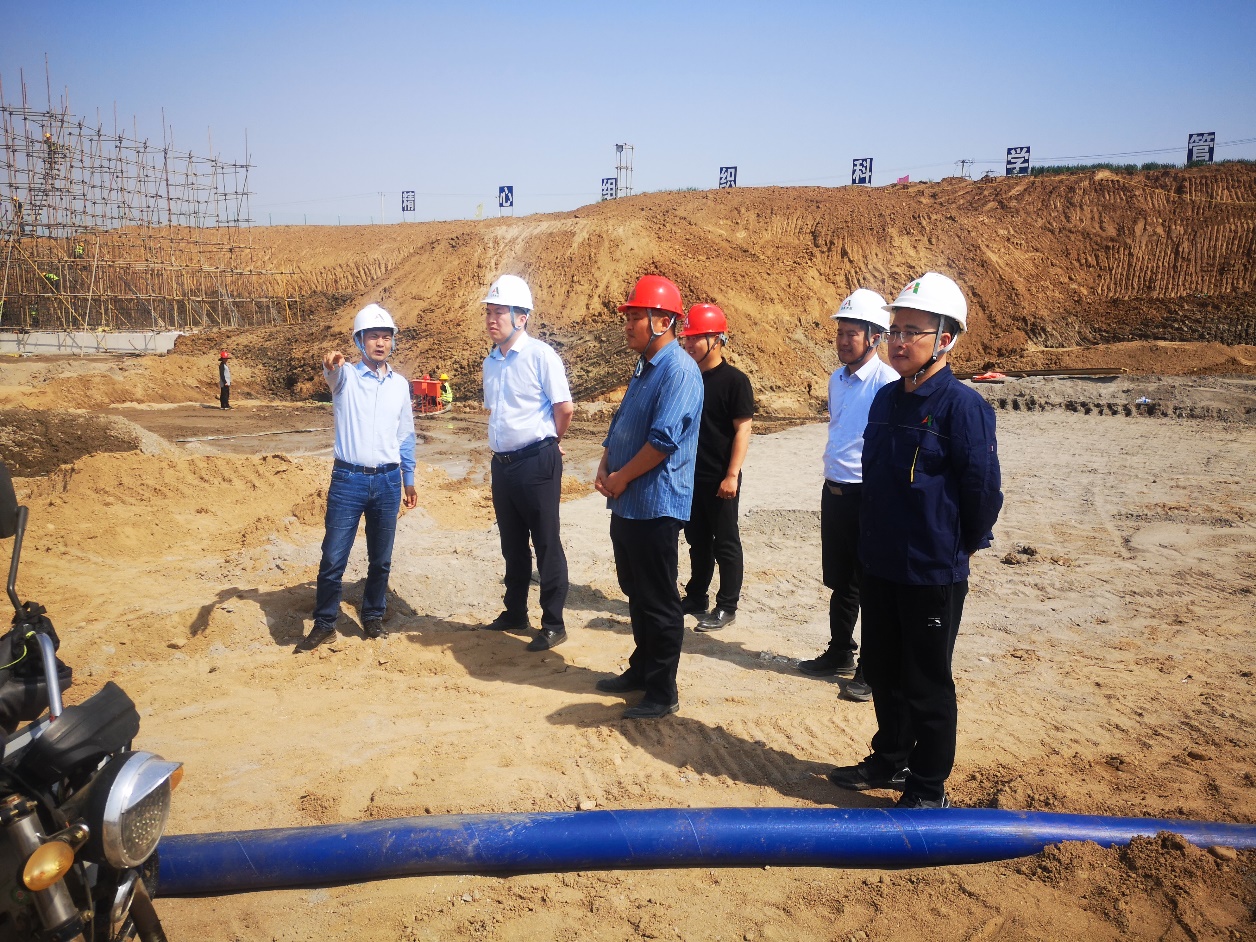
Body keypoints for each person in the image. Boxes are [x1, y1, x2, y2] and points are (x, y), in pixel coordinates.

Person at [827, 272, 1003, 809]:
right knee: (883, 670)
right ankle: (890, 758)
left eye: (912, 332)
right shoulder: (886, 401)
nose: (899, 341)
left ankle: (927, 787)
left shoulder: (963, 408)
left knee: (926, 682)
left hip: (930, 572)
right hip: (881, 563)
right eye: (895, 330)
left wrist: (955, 548)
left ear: (945, 339)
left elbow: (982, 493)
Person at [594, 275, 703, 719]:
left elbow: (662, 440)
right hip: (629, 501)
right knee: (636, 591)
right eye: (629, 316)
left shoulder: (679, 371)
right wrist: (606, 464)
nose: (627, 325)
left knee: (658, 599)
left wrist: (621, 477)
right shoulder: (645, 366)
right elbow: (623, 421)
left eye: (636, 316)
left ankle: (662, 691)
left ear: (663, 321)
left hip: (656, 504)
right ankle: (641, 670)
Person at [297, 303, 418, 651]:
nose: (380, 343)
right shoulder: (346, 377)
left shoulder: (400, 385)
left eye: (386, 337)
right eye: (373, 336)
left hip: (388, 481)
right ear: (359, 341)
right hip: (348, 480)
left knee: (381, 558)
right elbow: (332, 371)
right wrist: (330, 364)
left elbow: (405, 435)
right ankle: (325, 623)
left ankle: (373, 616)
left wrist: (409, 478)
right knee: (333, 557)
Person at [797, 290, 897, 702]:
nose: (842, 341)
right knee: (841, 580)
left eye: (851, 333)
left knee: (871, 584)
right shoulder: (836, 380)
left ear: (874, 336)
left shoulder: (887, 383)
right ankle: (841, 651)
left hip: (866, 495)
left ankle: (872, 668)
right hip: (835, 490)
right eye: (839, 333)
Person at [480, 275, 574, 652]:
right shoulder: (490, 362)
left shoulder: (540, 356)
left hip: (537, 461)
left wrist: (552, 441)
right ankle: (515, 612)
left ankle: (553, 623)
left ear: (521, 317)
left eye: (499, 312)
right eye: (489, 312)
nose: (492, 319)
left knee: (546, 541)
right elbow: (498, 413)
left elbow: (564, 408)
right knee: (512, 542)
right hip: (502, 465)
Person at [677, 303, 755, 632]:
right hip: (690, 476)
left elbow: (743, 430)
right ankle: (696, 596)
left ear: (717, 339)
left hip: (721, 477)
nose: (689, 343)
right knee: (697, 540)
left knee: (725, 542)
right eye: (687, 337)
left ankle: (727, 605)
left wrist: (732, 475)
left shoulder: (735, 381)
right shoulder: (687, 378)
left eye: (696, 337)